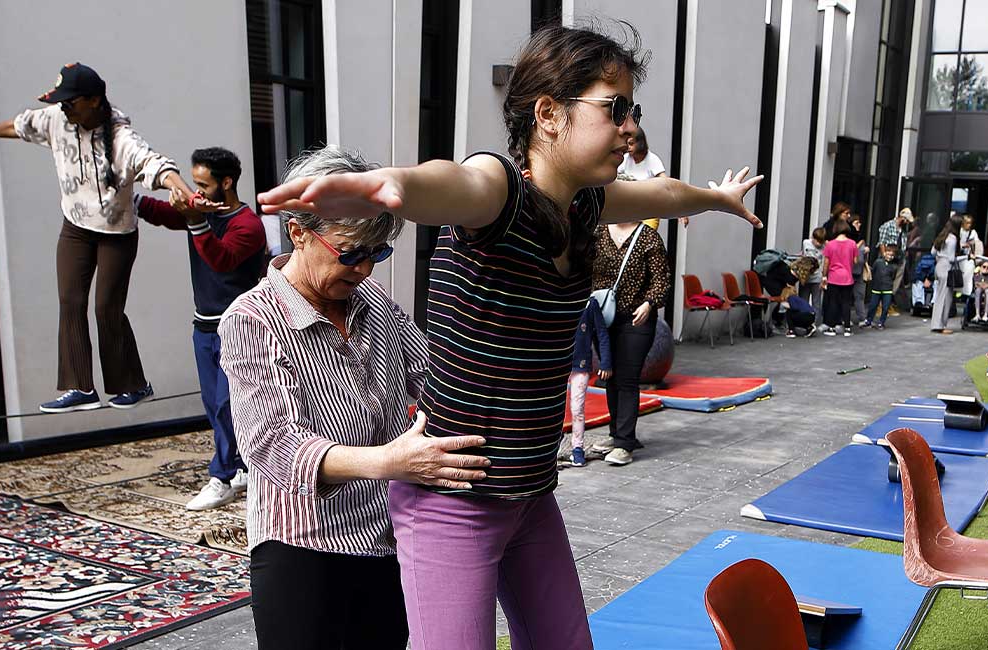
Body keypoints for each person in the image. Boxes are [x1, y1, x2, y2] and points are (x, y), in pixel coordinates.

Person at [256, 24, 763, 648]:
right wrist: (396, 187)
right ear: (549, 115)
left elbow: (660, 191)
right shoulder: (498, 192)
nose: (629, 127)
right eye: (614, 108)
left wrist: (716, 197)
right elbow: (455, 181)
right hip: (456, 500)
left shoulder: (585, 204)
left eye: (633, 110)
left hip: (531, 495)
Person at [219, 146, 491, 649]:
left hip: (386, 539)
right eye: (350, 254)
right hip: (302, 549)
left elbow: (431, 376)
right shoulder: (251, 318)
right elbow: (271, 445)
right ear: (299, 231)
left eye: (377, 254)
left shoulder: (376, 304)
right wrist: (390, 461)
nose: (364, 270)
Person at [0, 62, 192, 413]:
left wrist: (186, 194)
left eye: (71, 102)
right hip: (75, 228)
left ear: (94, 101)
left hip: (116, 235)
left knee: (105, 309)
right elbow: (17, 126)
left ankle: (133, 384)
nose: (64, 108)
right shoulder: (56, 119)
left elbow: (156, 165)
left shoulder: (122, 138)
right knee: (70, 301)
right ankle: (80, 388)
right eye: (61, 102)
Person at [132, 147, 267, 511]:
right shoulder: (200, 212)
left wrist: (195, 221)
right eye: (194, 184)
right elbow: (162, 212)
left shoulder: (248, 225)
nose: (196, 192)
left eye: (203, 185)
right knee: (213, 405)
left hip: (240, 328)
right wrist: (127, 198)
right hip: (203, 327)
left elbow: (221, 261)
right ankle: (240, 468)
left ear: (227, 182)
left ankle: (221, 477)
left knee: (228, 404)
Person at [588, 219, 671, 466]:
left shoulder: (648, 238)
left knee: (627, 377)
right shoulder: (597, 233)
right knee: (610, 376)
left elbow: (661, 280)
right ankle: (616, 435)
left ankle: (625, 443)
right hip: (602, 317)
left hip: (636, 318)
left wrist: (649, 303)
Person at [565, 299, 612, 467]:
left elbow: (601, 333)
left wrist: (605, 362)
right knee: (553, 408)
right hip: (556, 363)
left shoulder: (591, 304)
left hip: (581, 365)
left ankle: (577, 448)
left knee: (577, 408)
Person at [821, 220, 862, 337]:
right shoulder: (852, 244)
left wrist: (824, 276)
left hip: (834, 277)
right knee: (846, 303)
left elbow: (826, 263)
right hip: (847, 277)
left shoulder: (830, 244)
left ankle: (832, 327)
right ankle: (847, 328)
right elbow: (855, 261)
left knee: (833, 302)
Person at [928, 215, 964, 334]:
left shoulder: (942, 235)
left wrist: (940, 256)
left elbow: (933, 252)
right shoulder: (953, 239)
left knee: (939, 295)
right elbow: (952, 259)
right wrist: (966, 257)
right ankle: (940, 325)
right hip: (947, 268)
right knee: (946, 297)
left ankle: (936, 323)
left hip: (939, 266)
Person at [863, 244, 903, 329]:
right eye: (888, 254)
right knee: (873, 306)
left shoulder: (894, 266)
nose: (889, 256)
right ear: (884, 253)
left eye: (892, 255)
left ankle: (881, 322)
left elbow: (893, 276)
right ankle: (868, 320)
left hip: (887, 289)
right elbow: (874, 272)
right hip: (877, 288)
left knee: (885, 307)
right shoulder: (878, 262)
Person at [801, 227, 829, 329]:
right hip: (806, 277)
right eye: (816, 240)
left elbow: (825, 262)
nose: (818, 244)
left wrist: (824, 277)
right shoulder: (806, 243)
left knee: (816, 302)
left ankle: (814, 323)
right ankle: (803, 321)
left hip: (817, 277)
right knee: (803, 300)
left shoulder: (825, 247)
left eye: (820, 242)